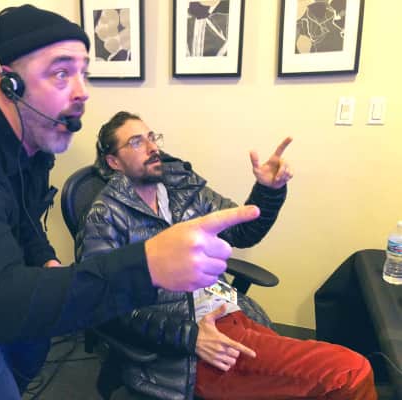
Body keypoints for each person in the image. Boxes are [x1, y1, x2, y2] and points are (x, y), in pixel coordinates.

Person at [0, 6, 261, 400]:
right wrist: (147, 264)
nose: (81, 91)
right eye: (60, 73)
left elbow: (24, 220)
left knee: (33, 344)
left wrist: (46, 260)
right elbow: (2, 304)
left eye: (82, 72)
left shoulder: (30, 148)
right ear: (8, 84)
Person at [76, 111, 377, 400]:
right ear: (114, 161)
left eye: (152, 137)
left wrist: (268, 190)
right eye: (136, 142)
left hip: (228, 312)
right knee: (350, 372)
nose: (152, 147)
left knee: (319, 383)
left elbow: (243, 232)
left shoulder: (182, 189)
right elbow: (102, 305)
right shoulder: (105, 216)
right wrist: (190, 336)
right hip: (190, 349)